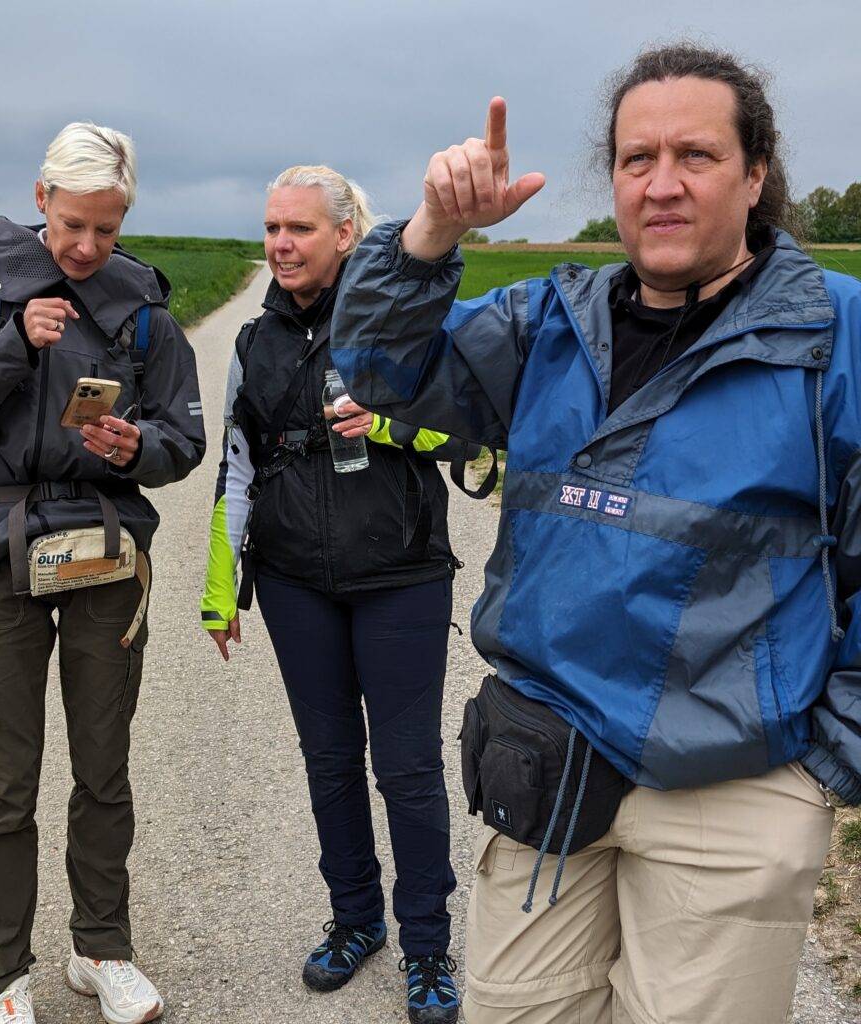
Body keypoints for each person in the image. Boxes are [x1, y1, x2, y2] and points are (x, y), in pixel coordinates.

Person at [331, 44, 861, 1024]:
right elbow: (377, 373)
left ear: (755, 175)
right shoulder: (547, 323)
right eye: (634, 159)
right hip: (546, 763)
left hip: (735, 785)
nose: (660, 185)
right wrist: (433, 232)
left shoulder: (837, 335)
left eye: (694, 157)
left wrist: (828, 763)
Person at [0, 122, 205, 1024]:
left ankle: (101, 949)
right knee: (6, 783)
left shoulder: (144, 309)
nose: (86, 247)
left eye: (106, 230)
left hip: (105, 555)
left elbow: (182, 438)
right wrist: (13, 349)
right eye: (73, 224)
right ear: (41, 201)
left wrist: (134, 446)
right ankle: (2, 980)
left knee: (103, 768)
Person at [201, 165, 485, 1024]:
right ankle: (356, 920)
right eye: (272, 228)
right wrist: (223, 593)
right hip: (295, 583)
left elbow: (470, 433)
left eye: (298, 229)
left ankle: (428, 948)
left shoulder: (400, 328)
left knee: (407, 770)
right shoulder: (254, 344)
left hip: (399, 576)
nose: (280, 245)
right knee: (329, 764)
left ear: (344, 236)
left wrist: (391, 423)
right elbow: (236, 466)